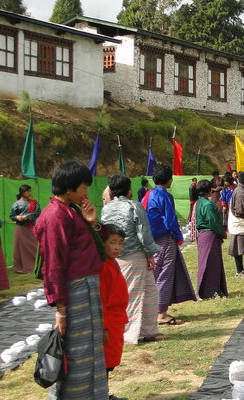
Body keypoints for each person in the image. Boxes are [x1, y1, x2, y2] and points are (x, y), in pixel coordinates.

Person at [35, 160, 108, 398]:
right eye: (84, 188)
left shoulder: (71, 210)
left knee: (90, 349)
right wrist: (61, 309)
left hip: (87, 289)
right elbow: (54, 265)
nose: (86, 193)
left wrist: (91, 222)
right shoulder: (56, 215)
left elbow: (93, 245)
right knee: (77, 352)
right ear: (69, 188)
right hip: (75, 291)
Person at [100, 174, 163, 344]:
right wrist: (150, 253)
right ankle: (127, 333)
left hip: (116, 256)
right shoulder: (134, 206)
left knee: (150, 291)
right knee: (132, 295)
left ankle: (149, 330)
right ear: (129, 189)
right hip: (134, 255)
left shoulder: (106, 208)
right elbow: (143, 232)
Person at [145, 164, 196, 325]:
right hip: (164, 238)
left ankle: (150, 310)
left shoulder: (148, 194)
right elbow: (170, 220)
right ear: (169, 180)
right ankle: (161, 314)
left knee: (154, 274)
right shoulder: (164, 196)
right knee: (164, 276)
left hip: (150, 239)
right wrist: (178, 237)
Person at [99, 225, 128, 400]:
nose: (117, 247)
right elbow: (101, 298)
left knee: (110, 362)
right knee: (104, 362)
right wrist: (104, 326)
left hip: (116, 321)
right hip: (108, 322)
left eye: (120, 243)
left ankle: (104, 393)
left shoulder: (112, 263)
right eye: (112, 242)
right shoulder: (102, 267)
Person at [193, 179, 228, 298]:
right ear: (209, 191)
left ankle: (208, 290)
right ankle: (210, 291)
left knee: (206, 263)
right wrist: (222, 232)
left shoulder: (199, 202)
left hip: (203, 235)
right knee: (211, 264)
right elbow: (214, 222)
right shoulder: (207, 204)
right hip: (209, 235)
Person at [10, 184, 42, 274]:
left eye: (30, 191)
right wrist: (17, 217)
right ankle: (21, 267)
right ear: (22, 192)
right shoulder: (16, 204)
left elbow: (38, 212)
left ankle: (36, 265)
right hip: (20, 229)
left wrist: (26, 217)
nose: (29, 193)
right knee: (20, 248)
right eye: (28, 191)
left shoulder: (34, 202)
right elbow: (12, 216)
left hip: (31, 227)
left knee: (35, 246)